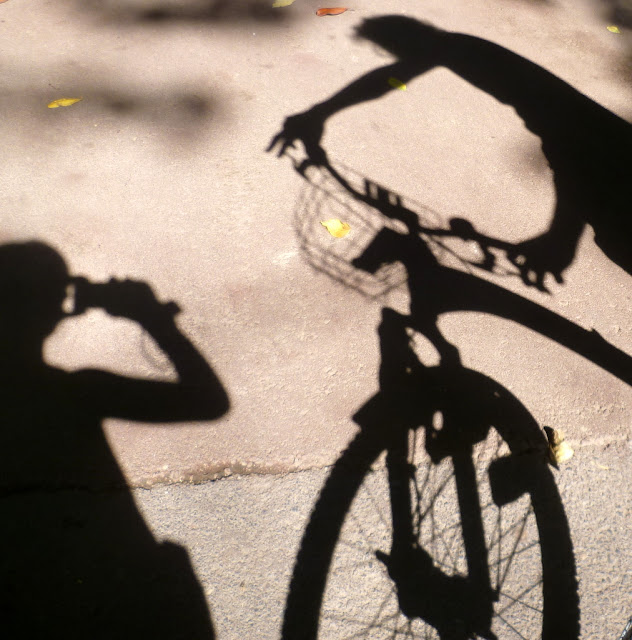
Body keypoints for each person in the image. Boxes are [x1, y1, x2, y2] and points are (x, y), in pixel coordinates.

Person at [269, 15, 632, 289]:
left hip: (607, 161)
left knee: (617, 237)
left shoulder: (457, 50)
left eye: (392, 50)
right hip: (605, 155)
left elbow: (574, 152)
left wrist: (560, 238)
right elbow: (391, 79)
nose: (400, 63)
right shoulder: (461, 51)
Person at [0, 241, 228, 639]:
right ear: (54, 311)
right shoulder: (74, 394)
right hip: (121, 604)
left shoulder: (69, 393)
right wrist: (155, 320)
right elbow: (208, 401)